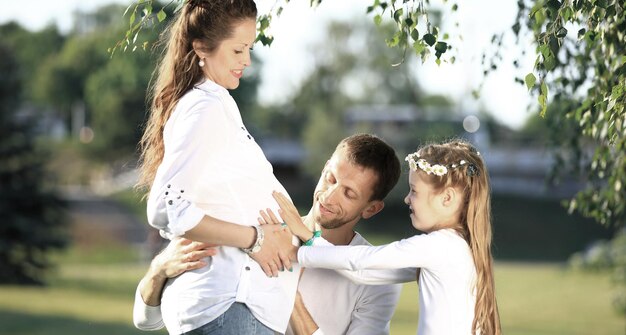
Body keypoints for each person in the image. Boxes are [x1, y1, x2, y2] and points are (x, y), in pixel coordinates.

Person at [134, 134, 406, 334]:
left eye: (349, 193)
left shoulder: (376, 281)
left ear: (371, 209)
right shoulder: (262, 231)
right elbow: (146, 320)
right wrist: (159, 269)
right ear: (324, 168)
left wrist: (289, 293)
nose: (329, 196)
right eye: (330, 178)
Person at [135, 0, 298, 334]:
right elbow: (172, 207)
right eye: (238, 50)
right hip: (232, 307)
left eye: (249, 49)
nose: (247, 60)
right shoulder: (205, 108)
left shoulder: (213, 104)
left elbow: (161, 205)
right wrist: (256, 239)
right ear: (201, 48)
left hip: (237, 310)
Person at [272, 139, 502, 335]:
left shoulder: (440, 246)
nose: (407, 199)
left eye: (414, 191)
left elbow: (360, 262)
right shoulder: (453, 249)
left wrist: (299, 247)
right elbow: (366, 273)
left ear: (447, 198)